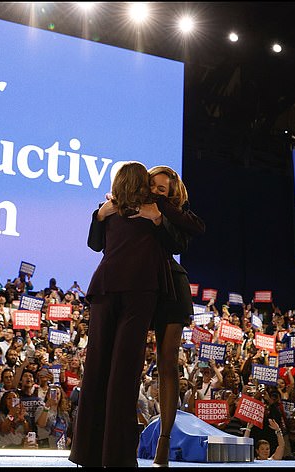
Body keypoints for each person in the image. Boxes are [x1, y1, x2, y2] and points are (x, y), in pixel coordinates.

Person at [68, 161, 174, 467]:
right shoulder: (151, 212)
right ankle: (116, 457)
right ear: (142, 183)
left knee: (97, 370)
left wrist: (99, 214)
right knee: (123, 375)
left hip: (105, 290)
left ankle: (86, 453)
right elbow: (178, 240)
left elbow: (94, 244)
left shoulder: (111, 210)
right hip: (138, 293)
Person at [145, 165, 205, 466]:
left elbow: (185, 238)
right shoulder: (133, 205)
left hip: (171, 288)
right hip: (138, 287)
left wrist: (161, 215)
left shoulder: (172, 214)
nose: (156, 192)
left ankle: (164, 443)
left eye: (163, 189)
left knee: (166, 365)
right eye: (152, 186)